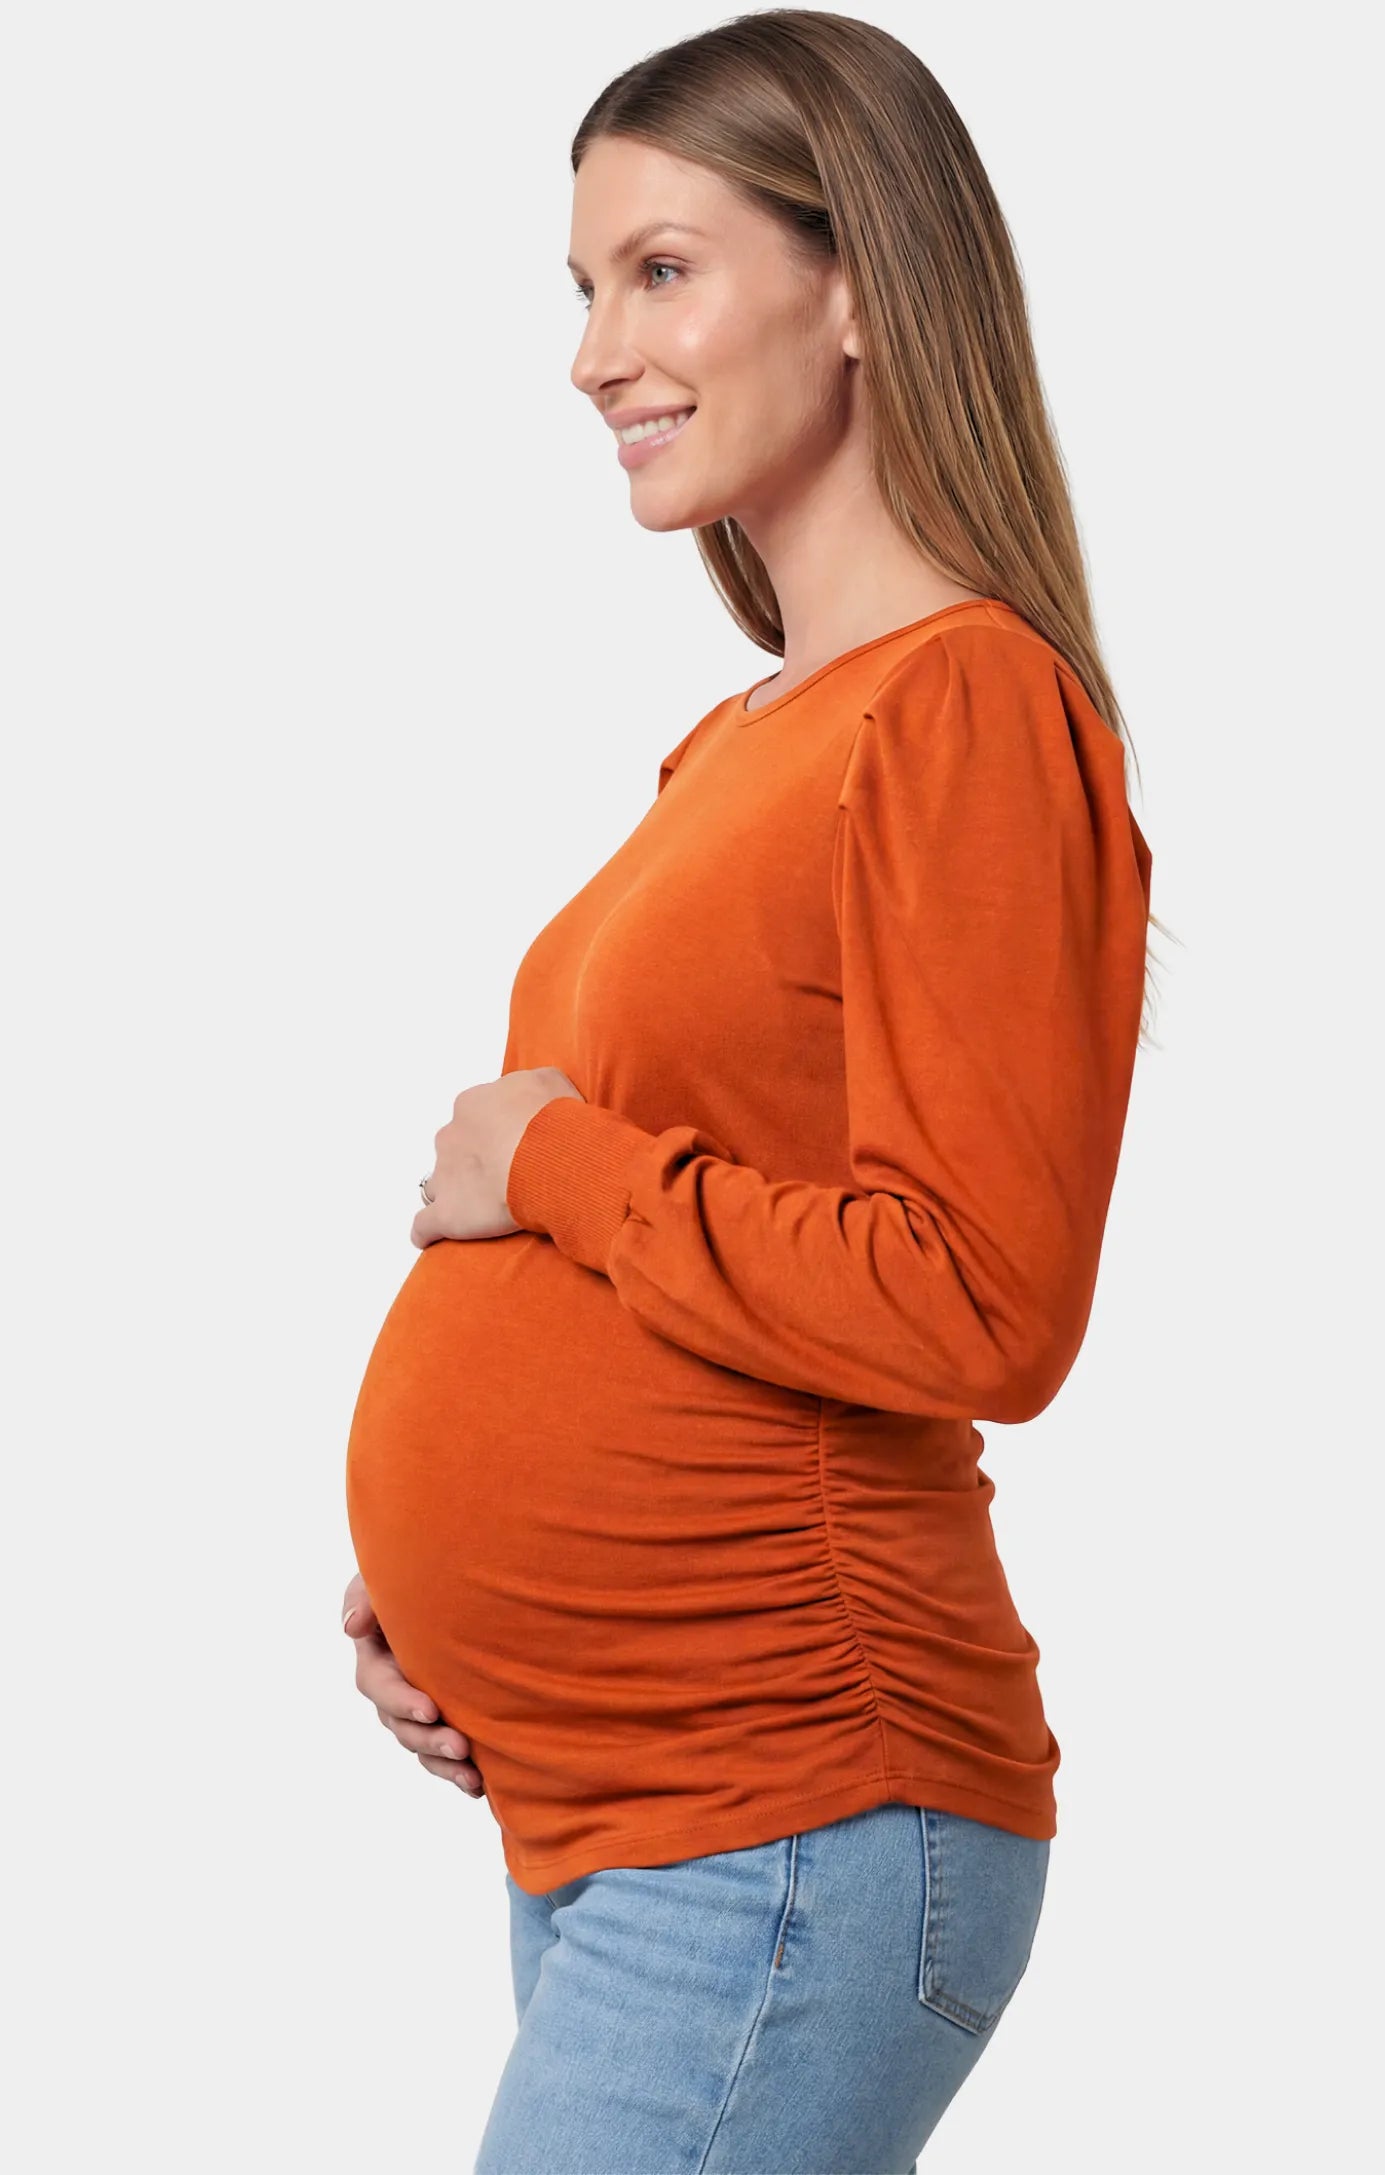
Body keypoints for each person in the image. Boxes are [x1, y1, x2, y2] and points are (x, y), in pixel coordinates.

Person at [341, 12, 1159, 2170]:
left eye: (661, 269)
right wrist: (449, 1597)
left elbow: (983, 1299)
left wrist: (558, 1161)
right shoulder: (742, 743)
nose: (596, 350)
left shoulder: (966, 706)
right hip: (630, 1799)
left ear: (861, 281)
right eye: (585, 287)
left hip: (796, 1800)